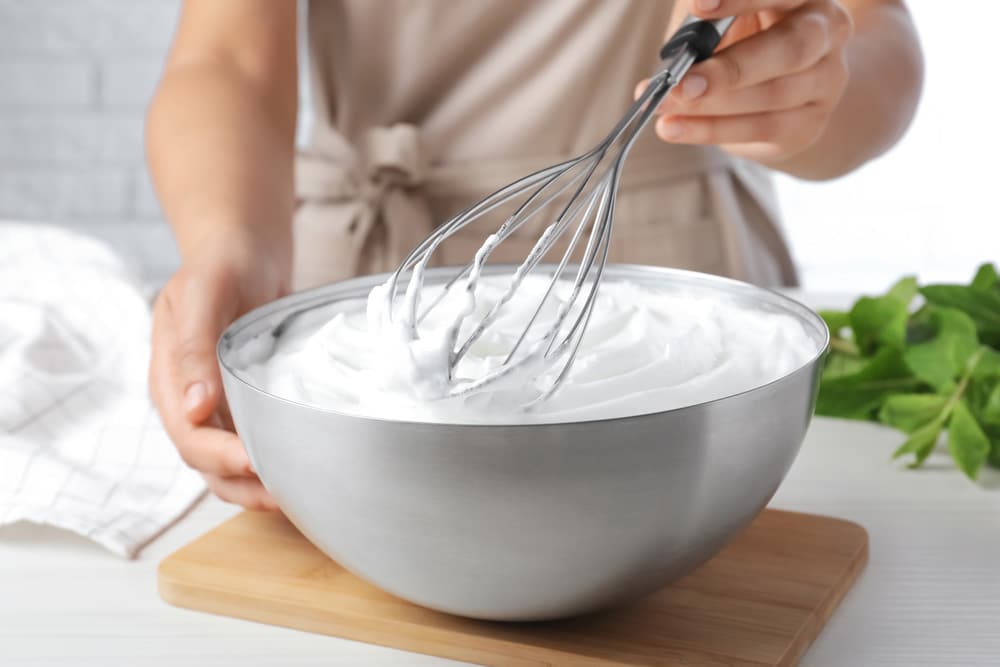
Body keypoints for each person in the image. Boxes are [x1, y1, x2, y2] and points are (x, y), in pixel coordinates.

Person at [147, 0, 922, 510]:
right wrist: (231, 245)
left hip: (671, 274)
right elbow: (227, 59)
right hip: (358, 300)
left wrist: (817, 85)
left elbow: (872, 33)